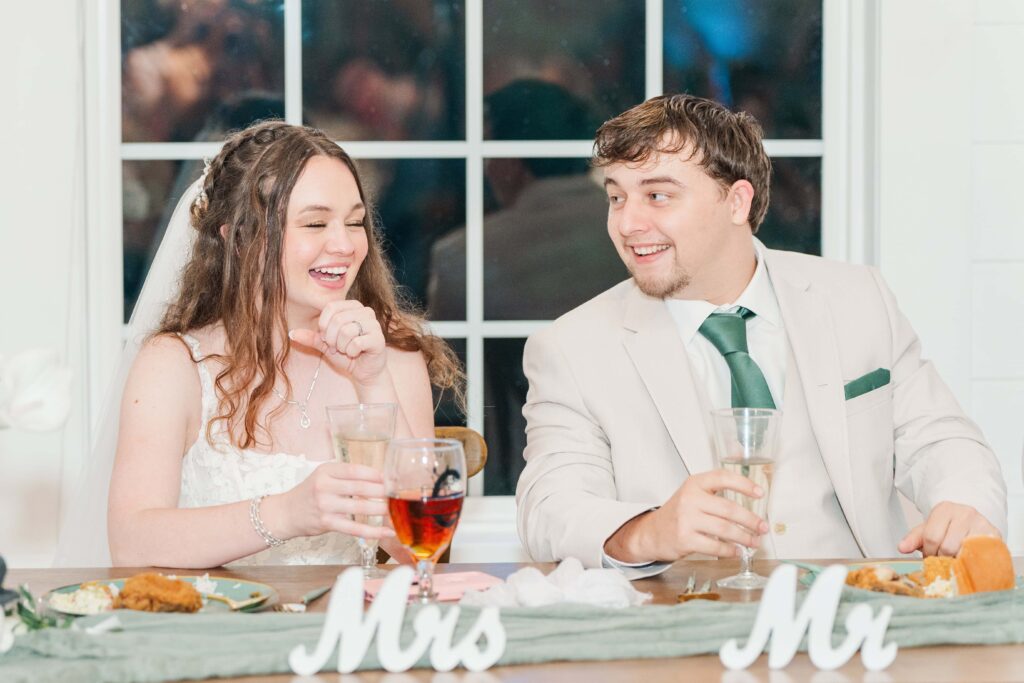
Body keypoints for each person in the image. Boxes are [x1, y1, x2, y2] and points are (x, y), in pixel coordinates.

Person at [515, 94, 1007, 576]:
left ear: (736, 201)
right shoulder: (572, 347)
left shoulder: (858, 297)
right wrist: (650, 530)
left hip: (867, 609)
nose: (627, 223)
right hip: (690, 628)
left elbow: (940, 439)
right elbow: (548, 507)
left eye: (657, 196)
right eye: (617, 197)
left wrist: (961, 504)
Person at [81, 121, 461, 568]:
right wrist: (284, 514)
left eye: (355, 222)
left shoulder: (391, 355)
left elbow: (416, 553)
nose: (344, 244)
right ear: (240, 238)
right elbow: (131, 543)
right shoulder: (177, 364)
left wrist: (374, 383)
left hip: (340, 627)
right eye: (316, 223)